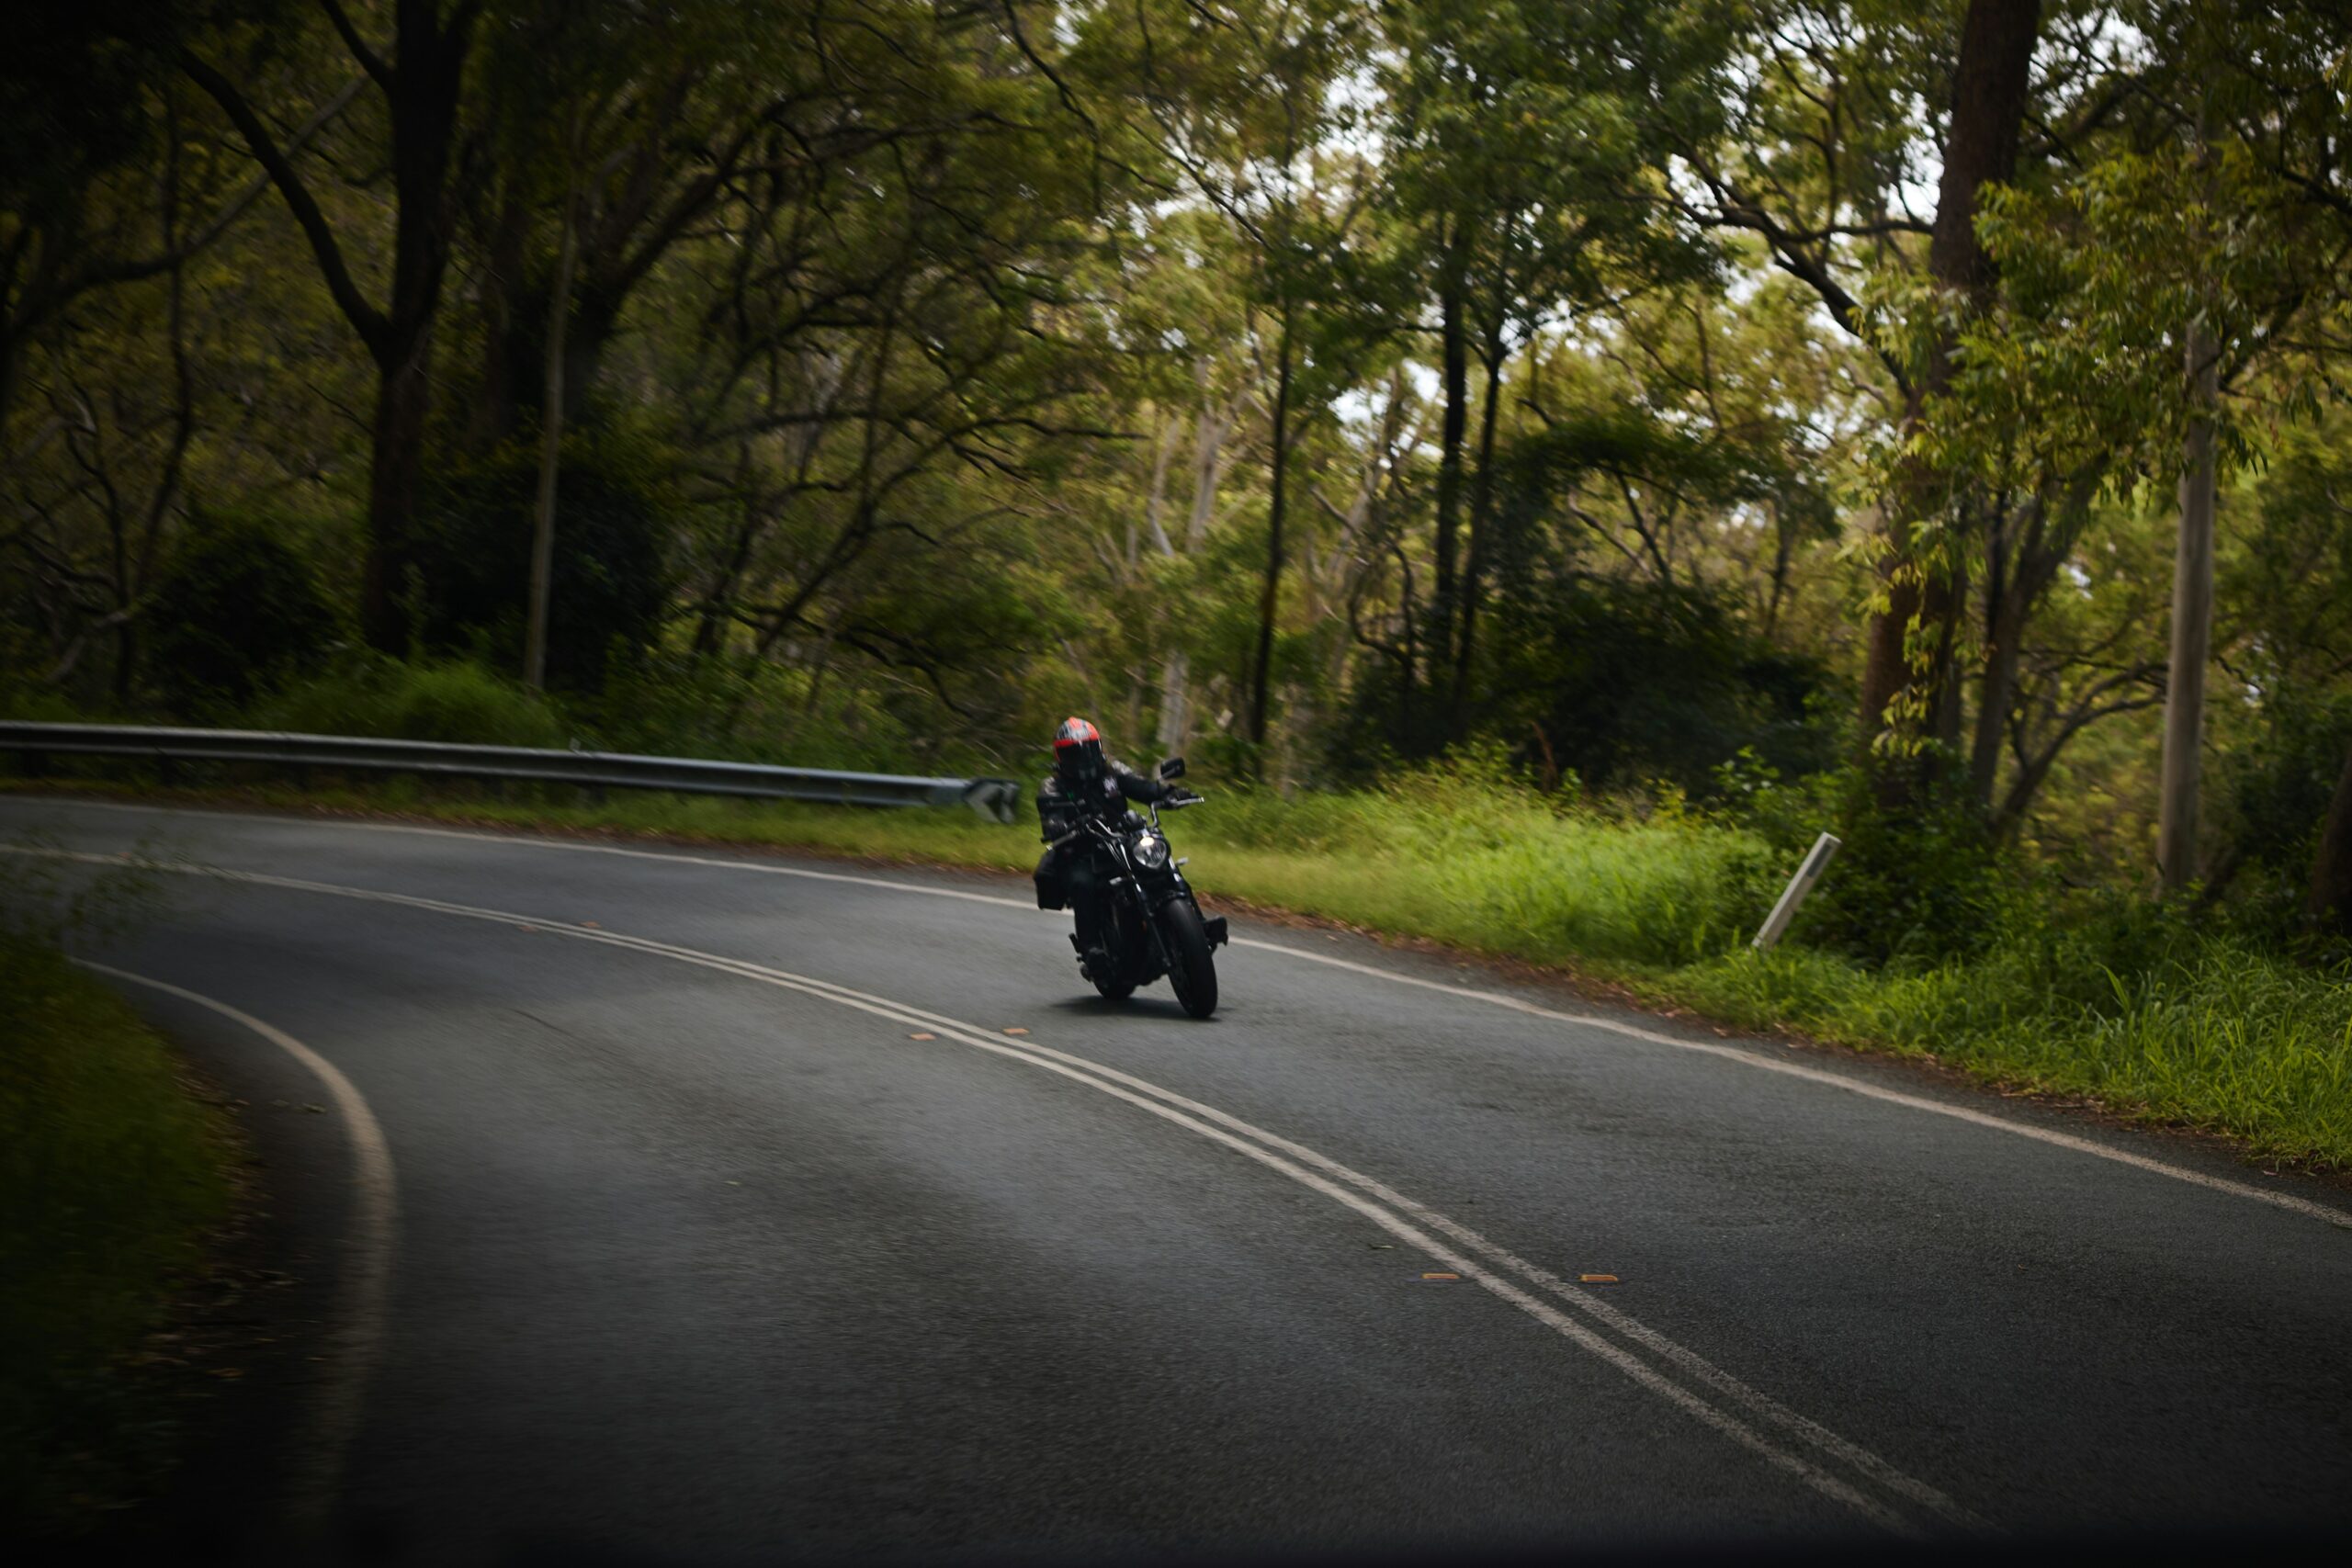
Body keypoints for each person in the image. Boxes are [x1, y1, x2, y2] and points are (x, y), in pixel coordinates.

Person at [1034, 716, 1194, 975]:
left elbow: (1142, 787)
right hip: (1082, 850)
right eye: (1074, 752)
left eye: (1088, 749)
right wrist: (1059, 826)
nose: (1083, 758)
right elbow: (1050, 815)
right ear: (1061, 755)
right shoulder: (1053, 785)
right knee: (1081, 882)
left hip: (1122, 840)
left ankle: (1194, 922)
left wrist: (1168, 793)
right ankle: (1092, 949)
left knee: (1160, 860)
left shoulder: (1113, 771)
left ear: (1098, 748)